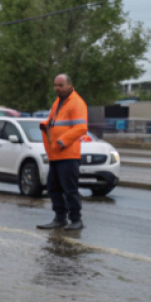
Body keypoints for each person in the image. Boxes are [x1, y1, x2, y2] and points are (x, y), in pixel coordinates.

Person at [37, 74, 88, 231]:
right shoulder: (58, 102)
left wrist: (62, 141)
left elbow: (81, 127)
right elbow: (53, 122)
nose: (56, 88)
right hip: (55, 154)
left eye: (60, 85)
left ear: (69, 85)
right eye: (55, 85)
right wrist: (45, 125)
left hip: (68, 154)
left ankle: (76, 220)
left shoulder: (77, 103)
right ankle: (60, 218)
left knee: (69, 190)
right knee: (53, 188)